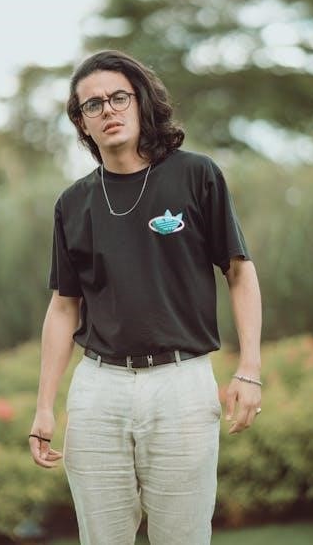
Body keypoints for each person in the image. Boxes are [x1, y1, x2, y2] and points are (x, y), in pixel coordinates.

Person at [28, 49, 262, 545]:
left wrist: (249, 369)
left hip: (182, 386)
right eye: (93, 105)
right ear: (82, 123)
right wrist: (45, 406)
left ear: (140, 102)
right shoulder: (72, 204)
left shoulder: (196, 175)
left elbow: (240, 272)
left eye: (119, 97)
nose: (108, 111)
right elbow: (63, 306)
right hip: (98, 391)